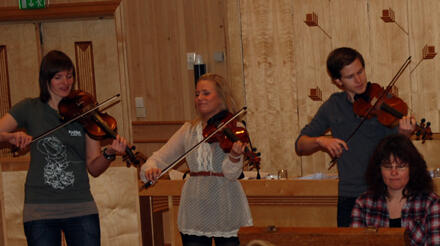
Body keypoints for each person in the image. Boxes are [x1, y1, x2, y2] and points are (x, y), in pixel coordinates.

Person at [0, 50, 128, 245]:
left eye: (69, 76)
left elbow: (94, 167)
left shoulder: (85, 113)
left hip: (80, 205)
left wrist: (109, 153)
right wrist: (11, 137)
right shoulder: (29, 108)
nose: (65, 82)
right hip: (39, 208)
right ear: (46, 80)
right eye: (58, 77)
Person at [295, 47, 416, 227]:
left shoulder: (382, 99)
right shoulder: (333, 106)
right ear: (338, 81)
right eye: (350, 77)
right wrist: (321, 141)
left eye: (360, 72)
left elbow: (397, 148)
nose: (359, 80)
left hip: (384, 193)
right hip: (349, 194)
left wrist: (404, 134)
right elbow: (300, 145)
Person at [140, 73, 253, 246]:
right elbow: (160, 158)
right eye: (197, 94)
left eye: (206, 93)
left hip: (226, 204)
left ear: (221, 97)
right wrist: (151, 168)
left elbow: (231, 174)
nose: (199, 98)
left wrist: (235, 156)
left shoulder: (235, 128)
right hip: (195, 207)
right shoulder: (189, 130)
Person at [351, 134, 440, 245]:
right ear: (379, 170)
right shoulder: (364, 203)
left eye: (400, 166)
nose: (394, 172)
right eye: (388, 166)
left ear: (412, 168)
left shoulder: (431, 203)